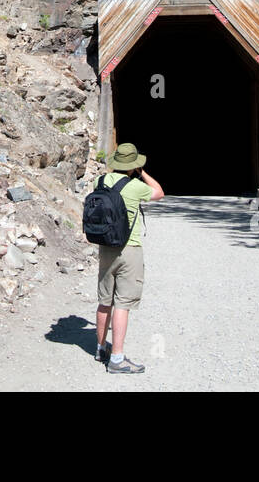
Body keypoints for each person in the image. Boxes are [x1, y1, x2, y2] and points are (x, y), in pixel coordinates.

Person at [94, 141, 163, 374]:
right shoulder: (136, 186)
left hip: (105, 248)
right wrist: (142, 174)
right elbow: (159, 192)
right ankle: (117, 359)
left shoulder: (100, 181)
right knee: (122, 304)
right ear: (134, 165)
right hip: (129, 248)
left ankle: (100, 347)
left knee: (105, 301)